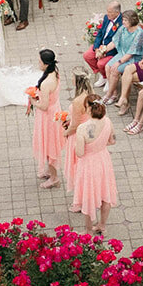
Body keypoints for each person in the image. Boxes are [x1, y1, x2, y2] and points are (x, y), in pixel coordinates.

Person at [74, 98, 118, 235]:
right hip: (104, 160)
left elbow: (80, 153)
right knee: (106, 193)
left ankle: (88, 230)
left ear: (88, 109)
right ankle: (102, 225)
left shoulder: (82, 128)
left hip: (89, 164)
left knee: (88, 196)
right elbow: (112, 141)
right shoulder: (108, 121)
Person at [31, 49, 62, 187]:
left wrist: (32, 102)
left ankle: (54, 178)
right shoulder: (55, 72)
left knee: (50, 146)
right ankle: (50, 172)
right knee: (50, 144)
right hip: (54, 110)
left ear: (45, 64)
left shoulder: (46, 83)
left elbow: (43, 106)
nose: (38, 63)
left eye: (40, 61)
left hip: (48, 117)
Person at [61, 71, 92, 210]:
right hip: (88, 133)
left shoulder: (78, 100)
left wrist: (65, 132)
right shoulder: (90, 94)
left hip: (78, 136)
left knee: (76, 168)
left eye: (73, 77)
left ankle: (79, 202)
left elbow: (75, 125)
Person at [103, 10, 143, 101]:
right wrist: (103, 50)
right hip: (123, 53)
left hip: (134, 57)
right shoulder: (123, 28)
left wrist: (119, 62)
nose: (123, 22)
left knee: (115, 70)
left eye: (125, 20)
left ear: (132, 20)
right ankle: (114, 93)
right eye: (123, 20)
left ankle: (108, 94)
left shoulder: (139, 33)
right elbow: (114, 42)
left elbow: (131, 52)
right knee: (107, 66)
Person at [84, 2, 122, 80]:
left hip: (112, 50)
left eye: (110, 12)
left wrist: (103, 52)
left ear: (117, 13)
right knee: (87, 56)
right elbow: (100, 33)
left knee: (101, 63)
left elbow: (117, 43)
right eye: (107, 11)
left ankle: (107, 77)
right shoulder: (106, 18)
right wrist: (97, 48)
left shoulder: (121, 24)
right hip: (101, 46)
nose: (107, 14)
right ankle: (102, 74)